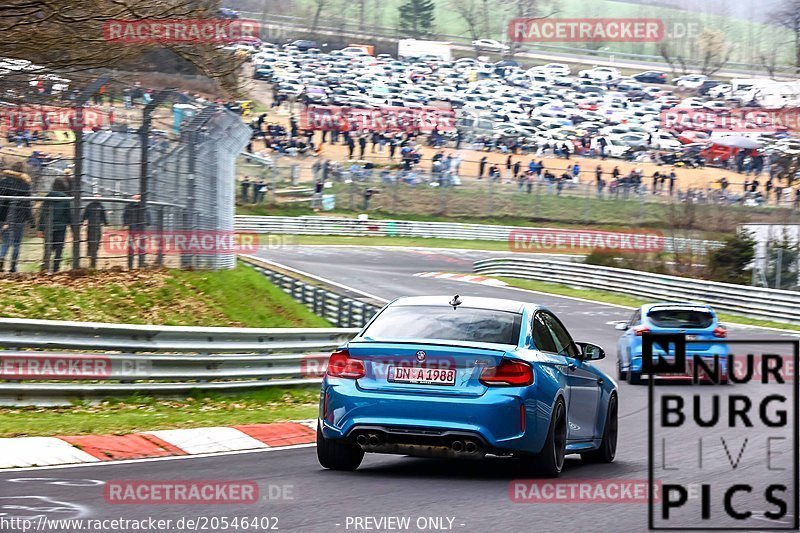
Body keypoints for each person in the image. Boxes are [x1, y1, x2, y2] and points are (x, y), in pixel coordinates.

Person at [0, 163, 33, 272]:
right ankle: (13, 267)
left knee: (5, 242)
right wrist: (31, 220)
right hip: (20, 218)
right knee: (16, 243)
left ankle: (1, 258)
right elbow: (28, 204)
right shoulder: (25, 184)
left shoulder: (4, 182)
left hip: (4, 218)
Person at [37, 178, 71, 272]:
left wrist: (40, 228)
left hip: (48, 227)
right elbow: (68, 214)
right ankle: (56, 269)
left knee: (48, 249)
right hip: (60, 228)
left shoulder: (48, 198)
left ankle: (45, 267)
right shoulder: (66, 199)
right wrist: (71, 224)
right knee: (59, 249)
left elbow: (43, 214)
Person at [122, 194, 149, 269]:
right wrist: (125, 223)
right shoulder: (129, 206)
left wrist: (147, 222)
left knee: (141, 243)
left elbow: (147, 214)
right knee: (131, 244)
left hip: (140, 226)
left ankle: (141, 262)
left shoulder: (142, 205)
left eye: (138, 198)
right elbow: (125, 215)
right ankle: (130, 263)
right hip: (133, 226)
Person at [82, 195, 108, 269]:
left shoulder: (101, 206)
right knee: (90, 239)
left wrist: (106, 224)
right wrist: (82, 221)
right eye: (96, 197)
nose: (97, 198)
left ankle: (94, 252)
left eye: (99, 197)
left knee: (97, 240)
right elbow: (84, 215)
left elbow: (103, 216)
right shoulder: (89, 206)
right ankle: (90, 251)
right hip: (90, 226)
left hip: (98, 226)